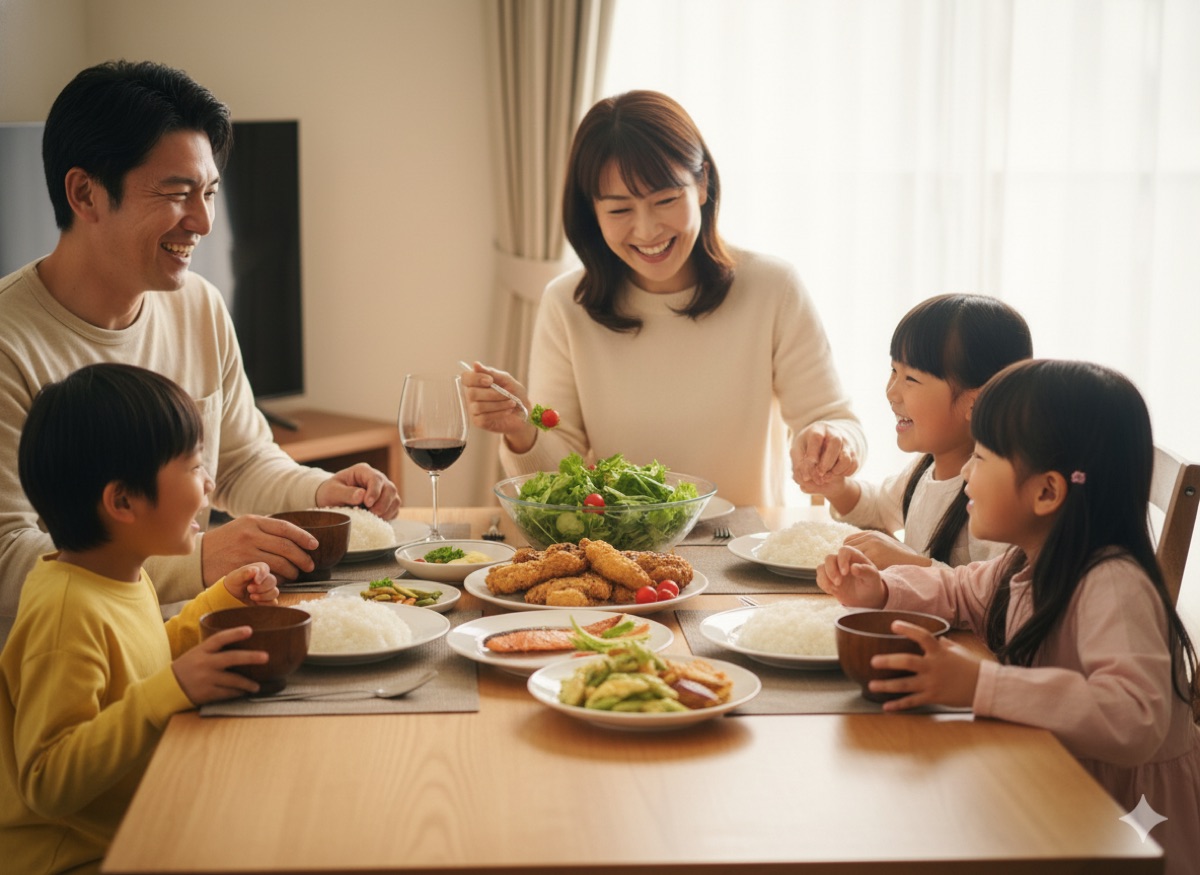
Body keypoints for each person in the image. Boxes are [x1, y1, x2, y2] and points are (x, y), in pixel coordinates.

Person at [0, 60, 399, 645]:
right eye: (177, 193)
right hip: (73, 667)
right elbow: (9, 560)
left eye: (209, 192)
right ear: (84, 193)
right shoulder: (11, 343)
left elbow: (239, 463)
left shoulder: (199, 305)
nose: (205, 221)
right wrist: (198, 560)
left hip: (196, 635)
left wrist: (319, 493)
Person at [817, 359, 1200, 874]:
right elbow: (957, 590)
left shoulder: (1112, 581)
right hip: (1049, 785)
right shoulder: (1027, 560)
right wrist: (882, 589)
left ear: (1046, 492)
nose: (966, 474)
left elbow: (1134, 716)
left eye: (980, 457)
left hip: (1124, 828)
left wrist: (980, 684)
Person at [462, 90, 865, 507]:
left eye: (666, 200)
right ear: (593, 212)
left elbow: (832, 418)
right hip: (623, 556)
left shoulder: (772, 287)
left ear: (703, 184)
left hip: (744, 551)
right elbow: (561, 474)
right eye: (620, 210)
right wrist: (522, 428)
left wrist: (831, 442)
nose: (647, 230)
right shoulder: (567, 304)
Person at [0, 363, 282, 874]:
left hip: (136, 822)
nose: (209, 482)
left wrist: (217, 602)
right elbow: (46, 781)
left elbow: (142, 658)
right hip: (81, 855)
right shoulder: (67, 613)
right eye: (194, 467)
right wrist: (169, 690)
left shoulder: (116, 573)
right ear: (123, 501)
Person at [808, 294, 1032, 568]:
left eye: (911, 378)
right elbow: (878, 507)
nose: (892, 392)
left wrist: (911, 564)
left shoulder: (997, 499)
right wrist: (837, 487)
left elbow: (995, 594)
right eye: (893, 370)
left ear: (976, 402)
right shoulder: (924, 470)